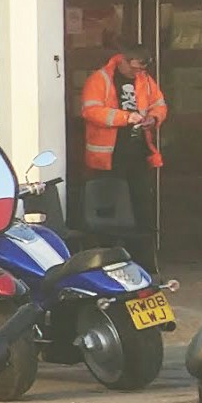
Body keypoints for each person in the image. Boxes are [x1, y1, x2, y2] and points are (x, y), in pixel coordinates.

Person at [80, 47, 166, 251]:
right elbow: (91, 111)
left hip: (138, 154)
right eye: (134, 69)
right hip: (108, 158)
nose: (137, 74)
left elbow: (159, 104)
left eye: (141, 70)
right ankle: (109, 255)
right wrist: (125, 117)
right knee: (109, 211)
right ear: (124, 61)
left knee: (142, 209)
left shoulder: (144, 80)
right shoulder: (100, 79)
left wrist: (153, 119)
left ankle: (144, 259)